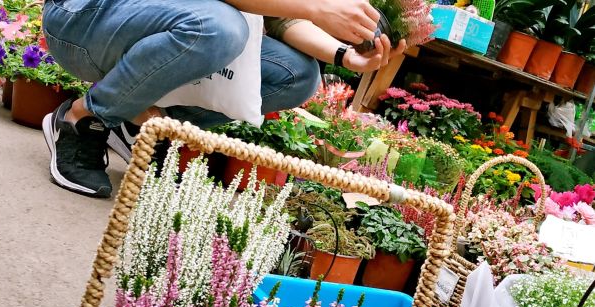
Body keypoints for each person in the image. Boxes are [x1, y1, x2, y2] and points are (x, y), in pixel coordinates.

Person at [41, 0, 406, 198]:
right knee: (218, 27)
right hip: (84, 17)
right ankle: (80, 119)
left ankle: (130, 117)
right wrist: (316, 6)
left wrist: (346, 56)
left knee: (297, 76)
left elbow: (280, 19)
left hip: (161, 20)